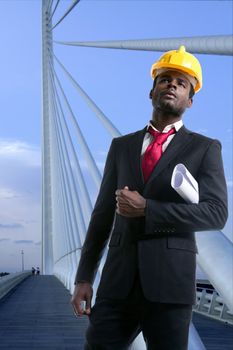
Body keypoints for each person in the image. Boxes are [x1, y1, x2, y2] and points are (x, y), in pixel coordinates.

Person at [71, 46, 228, 350]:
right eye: (165, 79)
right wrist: (84, 277)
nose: (172, 85)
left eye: (182, 84)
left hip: (171, 287)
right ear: (151, 91)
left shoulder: (206, 149)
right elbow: (102, 216)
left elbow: (216, 213)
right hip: (117, 285)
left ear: (190, 101)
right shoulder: (121, 147)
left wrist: (148, 209)